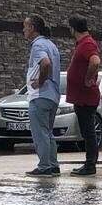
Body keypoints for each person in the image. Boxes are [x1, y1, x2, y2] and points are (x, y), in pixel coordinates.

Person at [22, 15, 63, 177]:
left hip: (40, 95)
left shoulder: (37, 45)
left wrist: (39, 82)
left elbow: (45, 63)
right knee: (48, 132)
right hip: (53, 95)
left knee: (40, 133)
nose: (23, 30)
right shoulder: (51, 44)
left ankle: (44, 166)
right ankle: (53, 165)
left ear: (32, 28)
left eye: (25, 26)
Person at [65, 15, 102, 176]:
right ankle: (89, 163)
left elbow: (95, 61)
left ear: (73, 28)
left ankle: (90, 165)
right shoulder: (83, 43)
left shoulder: (87, 43)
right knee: (86, 132)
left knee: (88, 133)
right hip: (81, 97)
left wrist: (87, 79)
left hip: (86, 96)